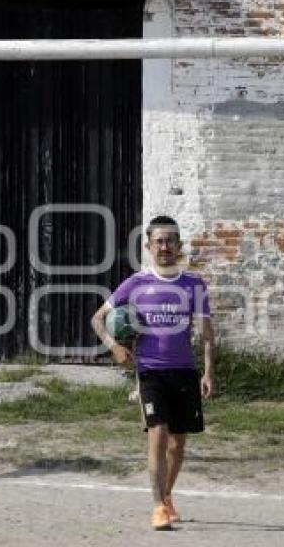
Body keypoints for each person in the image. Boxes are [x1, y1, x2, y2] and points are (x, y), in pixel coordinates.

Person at [92, 215, 214, 530]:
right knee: (158, 436)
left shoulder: (193, 284)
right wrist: (114, 347)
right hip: (150, 372)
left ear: (179, 246)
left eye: (170, 241)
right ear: (148, 246)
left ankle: (168, 495)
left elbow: (208, 334)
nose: (164, 246)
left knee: (178, 444)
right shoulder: (136, 283)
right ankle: (158, 506)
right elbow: (97, 319)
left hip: (185, 371)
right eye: (158, 241)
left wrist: (208, 372)